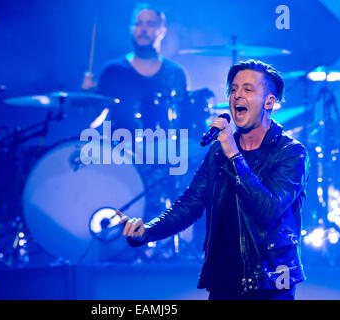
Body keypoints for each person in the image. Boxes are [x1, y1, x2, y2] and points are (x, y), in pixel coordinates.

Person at [116, 59, 310, 300]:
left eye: (248, 89)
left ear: (269, 102)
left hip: (269, 283)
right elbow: (190, 204)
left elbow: (267, 209)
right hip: (223, 281)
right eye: (234, 89)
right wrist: (147, 232)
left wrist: (234, 156)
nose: (237, 96)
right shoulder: (219, 152)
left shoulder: (291, 153)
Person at [82, 3, 188, 133]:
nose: (143, 29)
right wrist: (89, 97)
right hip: (120, 148)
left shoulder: (175, 73)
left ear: (162, 31)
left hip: (165, 149)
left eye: (150, 24)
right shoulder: (113, 71)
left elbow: (184, 121)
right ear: (131, 28)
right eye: (138, 23)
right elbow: (92, 121)